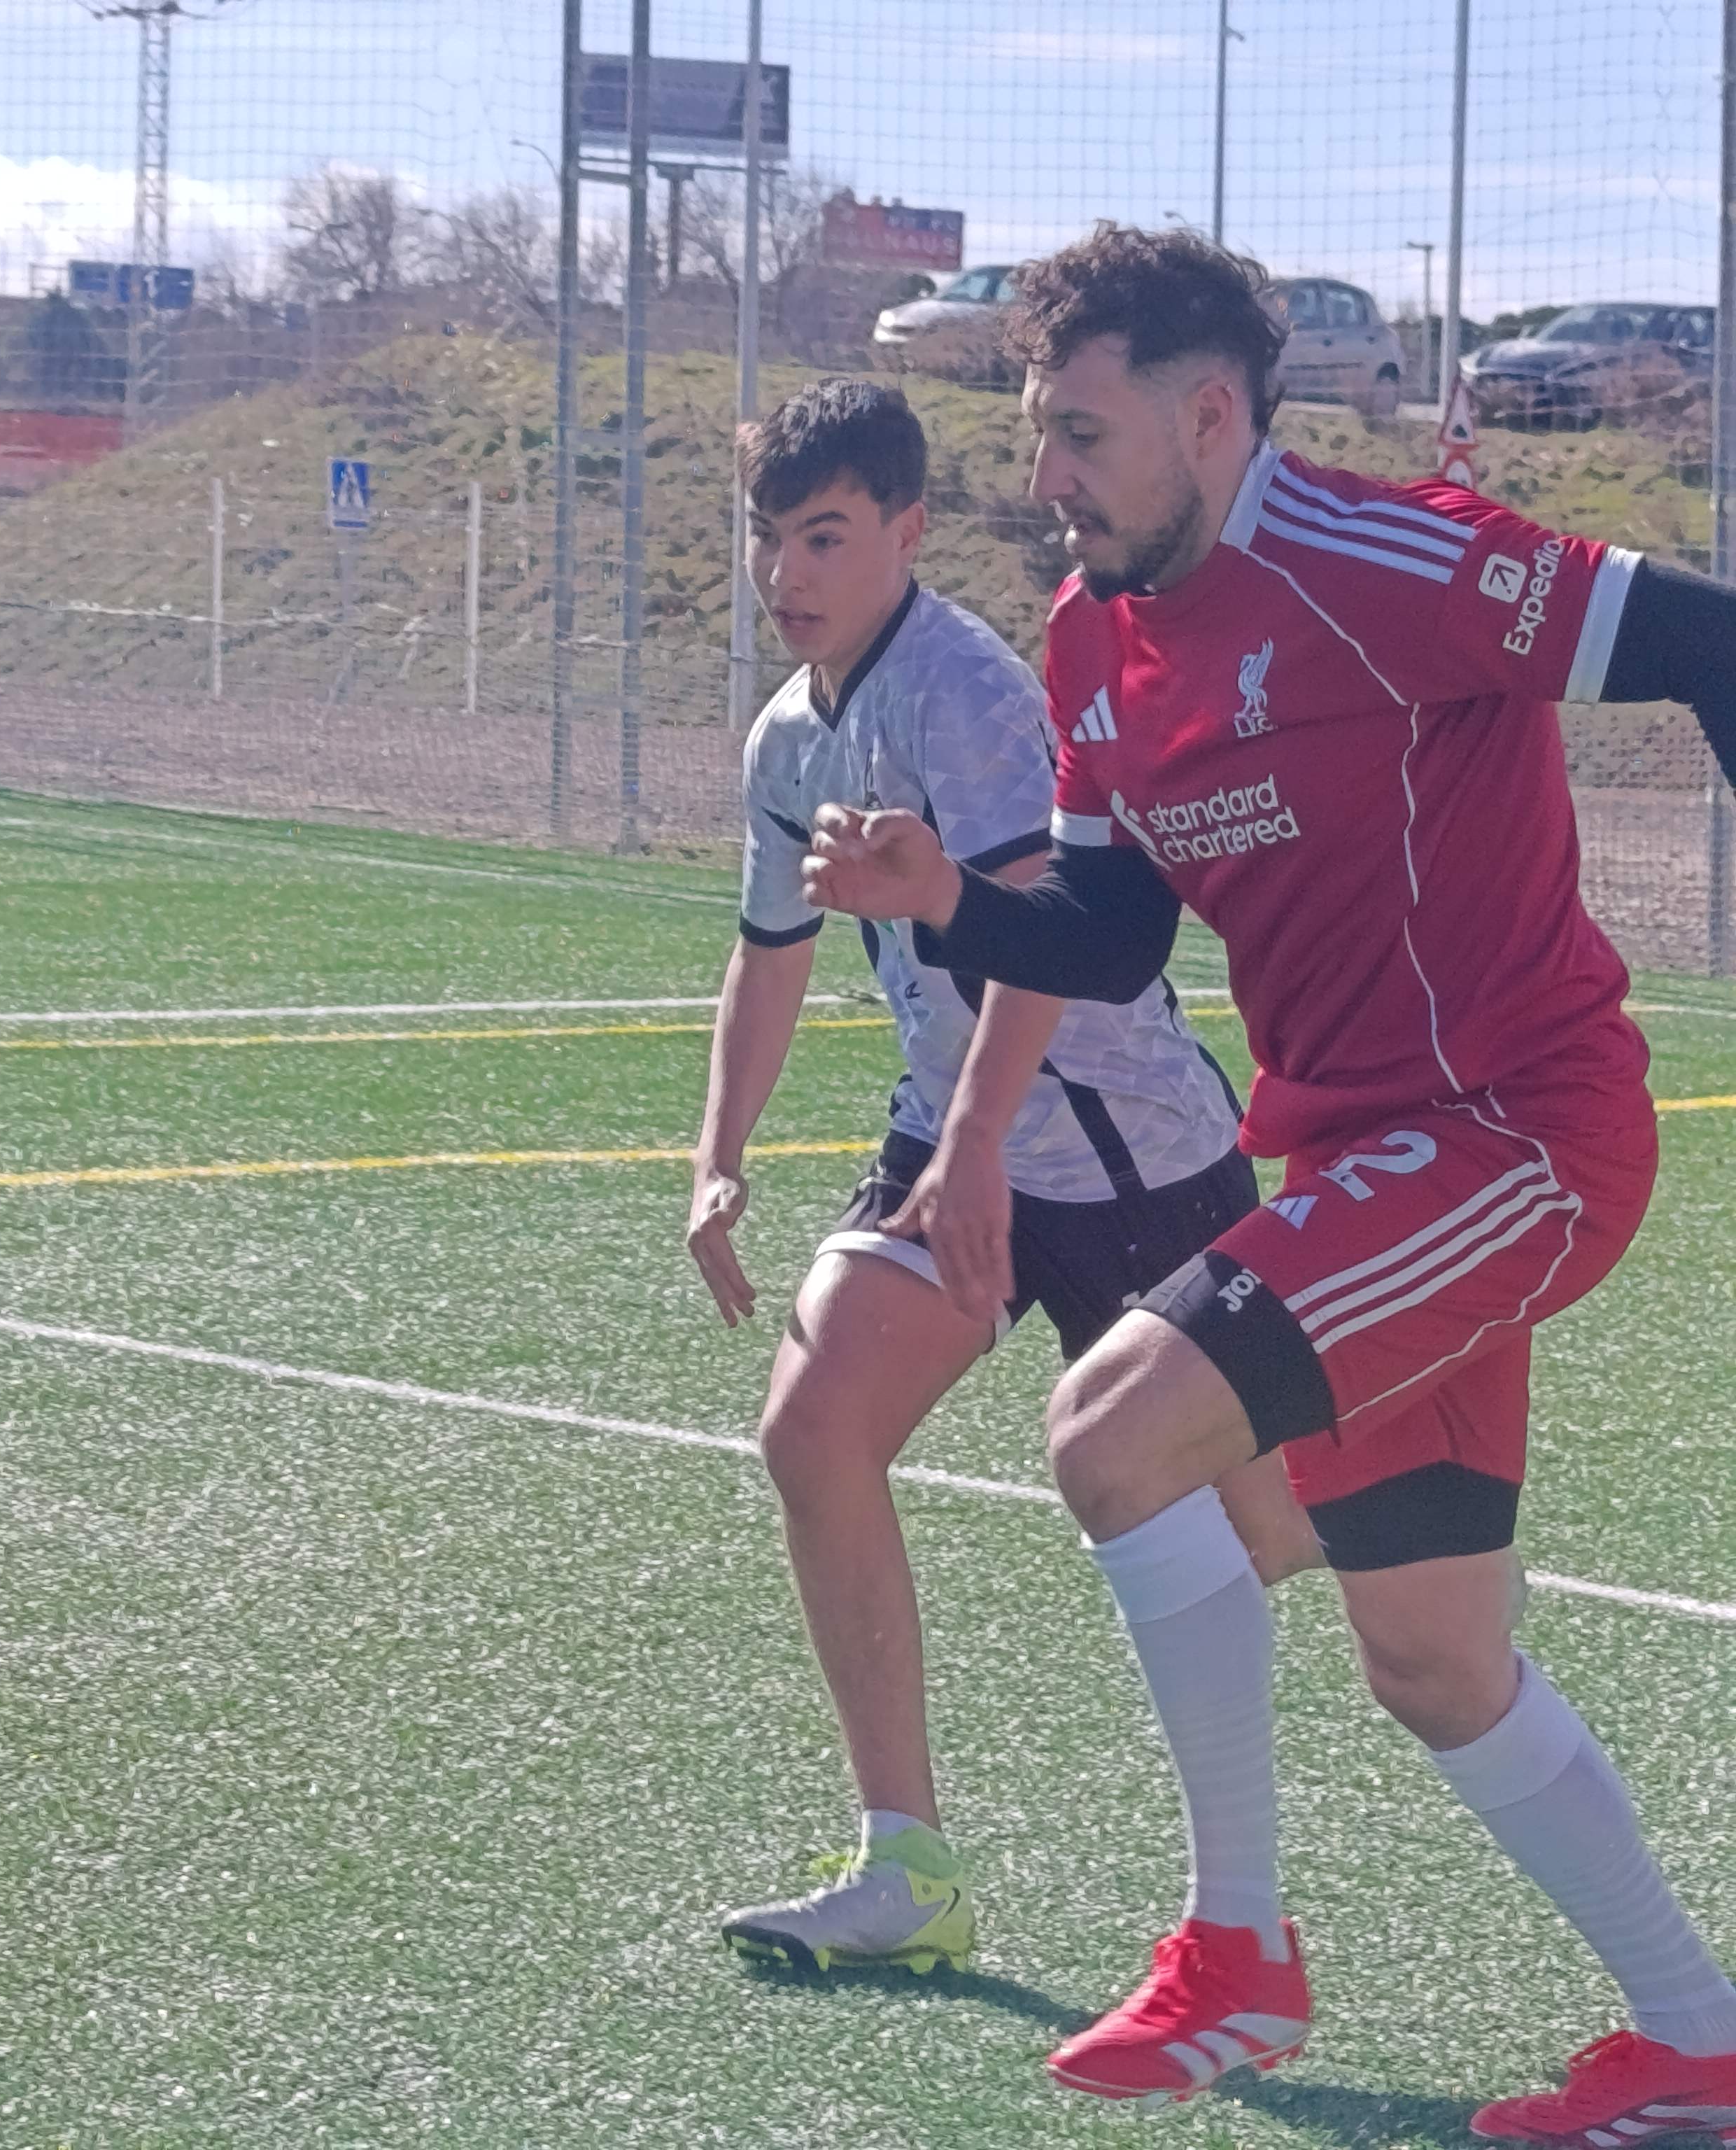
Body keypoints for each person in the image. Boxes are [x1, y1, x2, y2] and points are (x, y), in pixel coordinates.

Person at [800, 222, 1736, 2144]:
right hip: (1365, 1161)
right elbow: (1109, 932)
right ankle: (1700, 2040)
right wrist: (948, 895)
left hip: (1514, 1132)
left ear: (1210, 416)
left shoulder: (1386, 560)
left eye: (1079, 432)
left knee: (1109, 1426)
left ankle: (1234, 1949)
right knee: (1433, 1657)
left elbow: (1710, 640)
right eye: (1036, 429)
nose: (1044, 476)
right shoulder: (1092, 639)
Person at [693, 377, 1318, 1979]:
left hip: (1127, 1148)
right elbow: (769, 951)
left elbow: (1038, 948)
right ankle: (904, 1864)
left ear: (906, 530)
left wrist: (985, 1146)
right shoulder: (786, 737)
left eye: (824, 536)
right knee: (812, 1428)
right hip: (947, 1135)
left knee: (1293, 1528)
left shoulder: (966, 688)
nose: (787, 573)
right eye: (769, 537)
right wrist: (719, 1158)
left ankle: (1433, 1559)